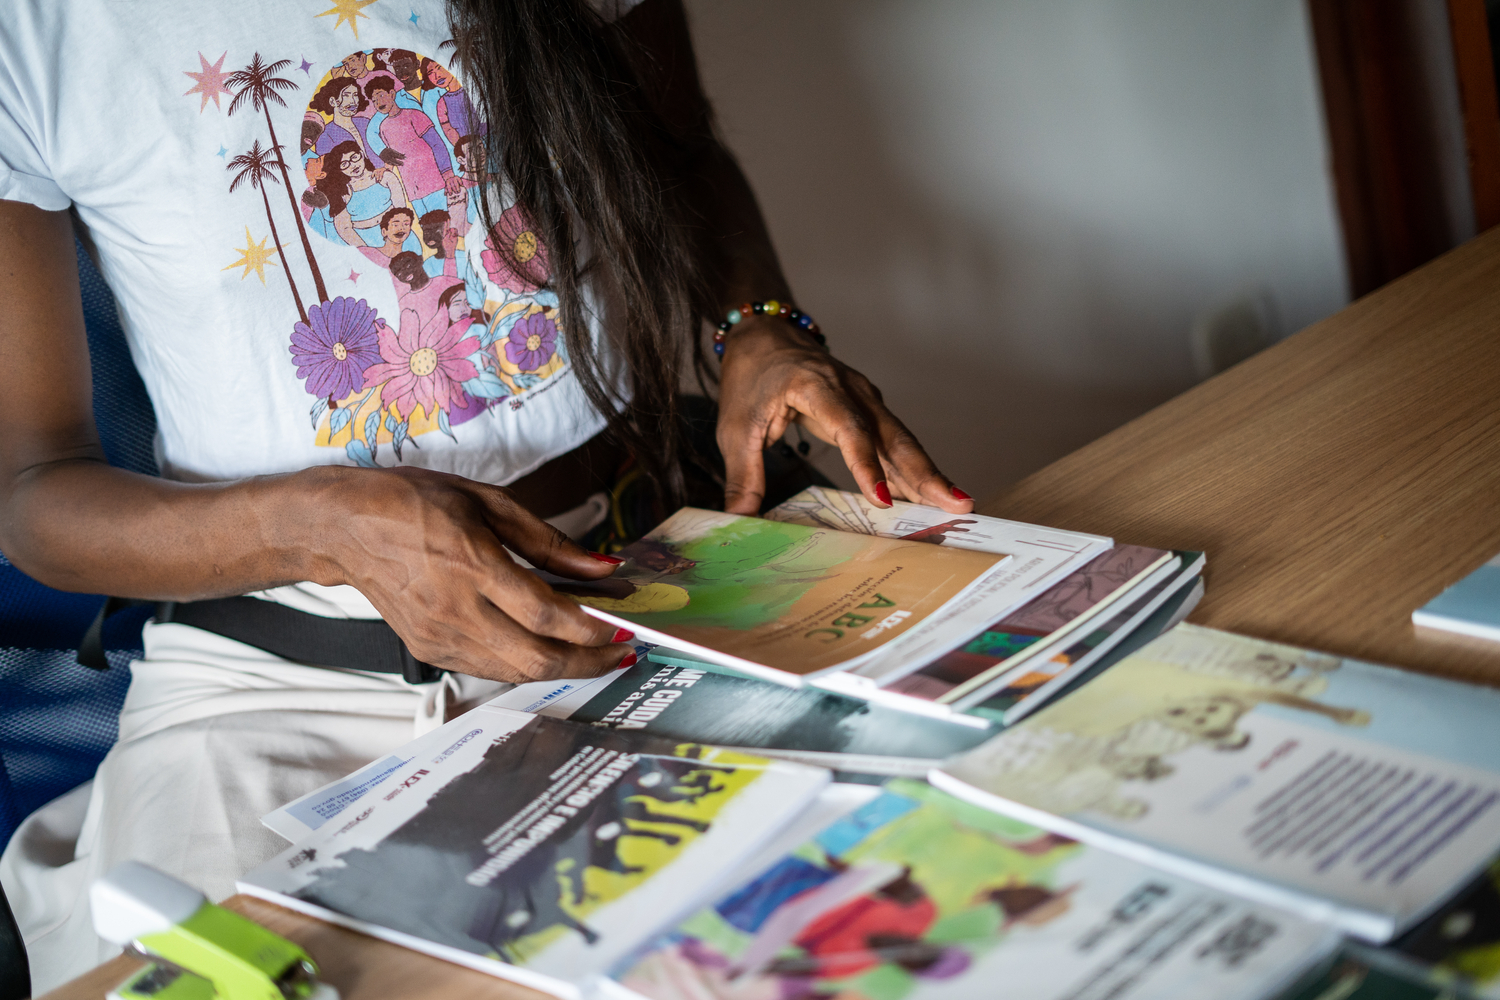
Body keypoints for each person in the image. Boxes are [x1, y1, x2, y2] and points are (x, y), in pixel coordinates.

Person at [0, 0, 973, 990]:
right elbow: (36, 494)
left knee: (896, 895)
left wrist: (759, 330)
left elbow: (681, 153)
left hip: (635, 593)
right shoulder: (39, 33)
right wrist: (322, 525)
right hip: (277, 676)